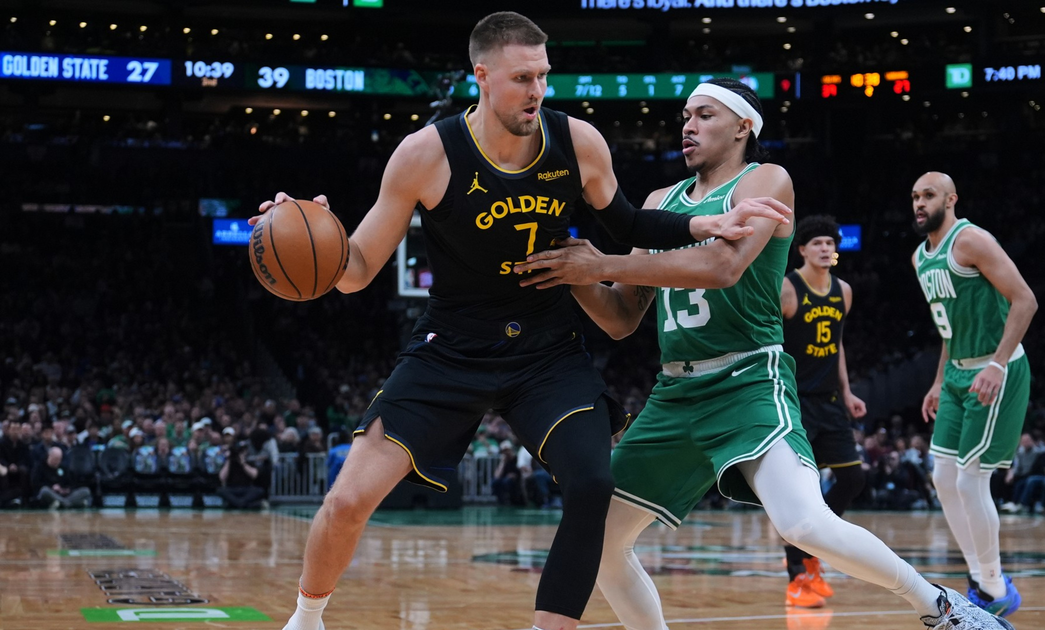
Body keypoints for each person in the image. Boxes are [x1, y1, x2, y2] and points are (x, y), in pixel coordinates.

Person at [250, 13, 791, 630]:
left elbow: (628, 229)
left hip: (545, 351)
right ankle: (307, 616)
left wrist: (699, 224)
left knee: (591, 485)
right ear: (482, 76)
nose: (537, 90)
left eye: (543, 76)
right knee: (348, 499)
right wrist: (309, 235)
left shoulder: (578, 142)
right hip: (451, 347)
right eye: (521, 78)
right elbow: (356, 268)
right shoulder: (427, 153)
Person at [521, 78, 1014, 630]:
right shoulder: (660, 203)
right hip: (676, 393)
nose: (687, 125)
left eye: (704, 114)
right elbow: (620, 318)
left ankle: (940, 606)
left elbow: (722, 267)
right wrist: (567, 270)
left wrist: (602, 263)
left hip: (750, 379)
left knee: (802, 523)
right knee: (600, 542)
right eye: (685, 115)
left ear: (743, 125)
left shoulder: (767, 180)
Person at [912, 171, 1037, 617]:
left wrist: (997, 364)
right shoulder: (919, 258)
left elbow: (1025, 299)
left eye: (928, 195)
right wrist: (937, 379)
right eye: (915, 197)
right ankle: (982, 580)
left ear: (951, 199)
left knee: (970, 479)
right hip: (956, 375)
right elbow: (949, 327)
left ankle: (993, 586)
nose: (920, 203)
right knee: (943, 479)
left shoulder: (972, 240)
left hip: (995, 368)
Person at [777, 214, 868, 608]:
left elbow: (838, 346)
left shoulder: (843, 291)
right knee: (799, 492)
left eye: (831, 243)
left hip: (829, 401)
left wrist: (848, 392)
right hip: (794, 401)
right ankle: (797, 575)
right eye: (818, 243)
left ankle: (813, 546)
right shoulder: (787, 288)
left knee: (852, 479)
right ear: (801, 250)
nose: (826, 248)